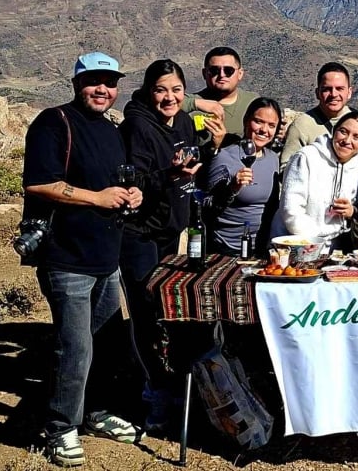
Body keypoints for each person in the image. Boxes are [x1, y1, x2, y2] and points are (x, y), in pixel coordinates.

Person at [21, 52, 144, 467]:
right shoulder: (53, 122)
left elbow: (115, 183)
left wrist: (130, 195)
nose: (102, 90)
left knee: (107, 343)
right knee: (74, 348)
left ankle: (95, 413)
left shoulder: (110, 129)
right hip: (66, 257)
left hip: (105, 257)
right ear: (76, 84)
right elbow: (39, 183)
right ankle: (60, 428)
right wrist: (97, 198)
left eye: (109, 83)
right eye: (94, 81)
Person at [117, 59, 201, 433]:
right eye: (161, 90)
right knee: (145, 308)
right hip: (139, 232)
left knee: (168, 305)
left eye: (176, 90)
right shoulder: (137, 125)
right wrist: (172, 174)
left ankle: (171, 380)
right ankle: (155, 391)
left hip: (170, 227)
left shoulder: (182, 121)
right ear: (150, 92)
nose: (169, 97)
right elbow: (135, 178)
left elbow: (191, 156)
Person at [274, 111, 358, 249]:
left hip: (335, 249)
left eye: (356, 137)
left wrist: (351, 212)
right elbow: (291, 209)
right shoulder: (306, 157)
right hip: (296, 244)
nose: (347, 140)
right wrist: (312, 239)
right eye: (343, 132)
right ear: (334, 131)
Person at [203, 97, 283, 256]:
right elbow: (205, 207)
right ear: (246, 121)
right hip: (228, 249)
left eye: (271, 125)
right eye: (258, 122)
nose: (264, 130)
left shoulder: (273, 159)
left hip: (264, 248)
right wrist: (232, 188)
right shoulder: (225, 157)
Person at [279, 62, 358, 167]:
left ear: (349, 92)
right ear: (317, 93)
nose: (333, 94)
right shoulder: (302, 125)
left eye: (339, 89)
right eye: (327, 89)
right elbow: (286, 167)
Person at [187, 46, 259, 153]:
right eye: (214, 70)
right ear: (204, 73)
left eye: (228, 70)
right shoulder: (192, 104)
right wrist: (196, 103)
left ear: (240, 74)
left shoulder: (253, 102)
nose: (221, 75)